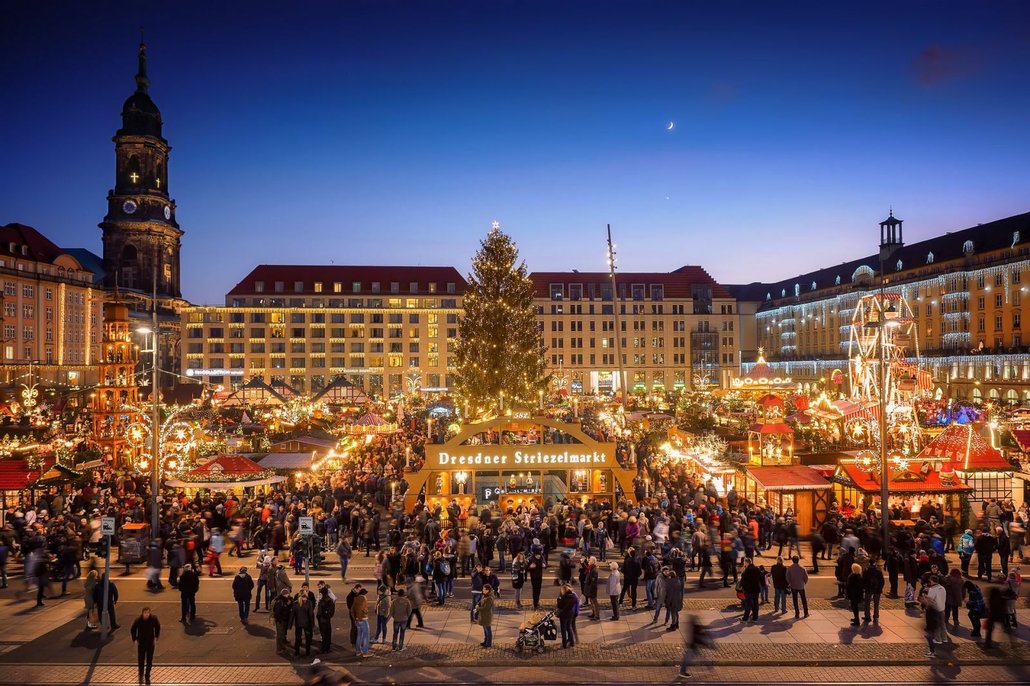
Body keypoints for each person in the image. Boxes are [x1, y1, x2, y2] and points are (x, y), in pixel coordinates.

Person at [130, 606, 161, 685]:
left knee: (149, 660)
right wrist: (135, 639)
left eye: (148, 613)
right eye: (145, 613)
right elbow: (133, 629)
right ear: (142, 613)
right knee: (141, 659)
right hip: (142, 643)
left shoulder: (153, 619)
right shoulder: (138, 620)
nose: (147, 614)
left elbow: (158, 627)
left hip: (150, 643)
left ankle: (147, 675)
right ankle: (141, 673)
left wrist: (156, 637)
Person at [677, 614, 712, 680]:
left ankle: (708, 666)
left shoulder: (693, 627)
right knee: (688, 659)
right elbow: (698, 638)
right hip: (693, 647)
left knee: (688, 659)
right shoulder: (696, 628)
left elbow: (697, 635)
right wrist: (706, 644)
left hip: (692, 646)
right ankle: (682, 672)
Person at [292, 587, 315, 657]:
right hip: (306, 623)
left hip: (298, 623)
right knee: (308, 638)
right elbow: (310, 614)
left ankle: (297, 652)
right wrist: (312, 623)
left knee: (298, 638)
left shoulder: (295, 603)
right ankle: (307, 652)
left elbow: (293, 614)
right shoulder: (308, 602)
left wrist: (290, 624)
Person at [271, 588, 293, 654]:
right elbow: (277, 613)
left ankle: (283, 645)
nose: (286, 595)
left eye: (287, 594)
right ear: (282, 594)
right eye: (285, 594)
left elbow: (289, 609)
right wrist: (280, 620)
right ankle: (279, 649)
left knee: (283, 634)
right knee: (280, 635)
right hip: (280, 621)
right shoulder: (279, 602)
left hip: (285, 620)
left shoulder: (288, 600)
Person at [739, 558, 762, 623]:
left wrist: (741, 587)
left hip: (748, 590)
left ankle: (745, 619)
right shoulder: (757, 569)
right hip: (756, 589)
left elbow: (743, 580)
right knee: (755, 604)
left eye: (744, 563)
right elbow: (761, 577)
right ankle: (755, 618)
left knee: (748, 604)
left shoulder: (746, 570)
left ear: (747, 563)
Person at [862, 559, 885, 624]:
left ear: (869, 563)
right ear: (875, 563)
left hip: (868, 589)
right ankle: (876, 616)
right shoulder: (878, 571)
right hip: (877, 589)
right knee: (876, 604)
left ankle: (867, 616)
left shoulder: (866, 571)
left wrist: (864, 588)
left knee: (867, 603)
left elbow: (863, 581)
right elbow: (882, 581)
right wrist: (880, 588)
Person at [351, 586, 370, 657]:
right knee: (366, 635)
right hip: (363, 619)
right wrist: (365, 612)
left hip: (357, 620)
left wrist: (355, 618)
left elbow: (352, 610)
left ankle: (358, 651)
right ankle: (365, 652)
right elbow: (363, 608)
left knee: (359, 635)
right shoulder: (364, 598)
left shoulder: (355, 599)